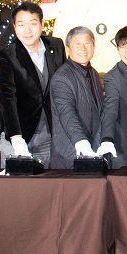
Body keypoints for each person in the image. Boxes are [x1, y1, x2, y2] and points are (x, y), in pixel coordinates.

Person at [0, 1, 67, 165]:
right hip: (20, 134)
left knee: (47, 185)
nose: (27, 31)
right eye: (21, 25)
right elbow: (7, 98)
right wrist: (16, 137)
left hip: (50, 133)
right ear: (14, 27)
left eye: (32, 24)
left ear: (42, 24)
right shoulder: (7, 55)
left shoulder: (56, 46)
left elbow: (61, 87)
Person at [48, 26, 104, 169]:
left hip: (93, 152)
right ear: (68, 48)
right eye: (77, 44)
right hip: (71, 154)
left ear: (93, 45)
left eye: (87, 43)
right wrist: (82, 143)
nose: (83, 48)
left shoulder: (94, 73)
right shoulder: (62, 77)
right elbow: (66, 113)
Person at [100, 24, 127, 168]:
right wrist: (107, 139)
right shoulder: (112, 77)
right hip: (126, 148)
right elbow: (110, 110)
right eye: (123, 47)